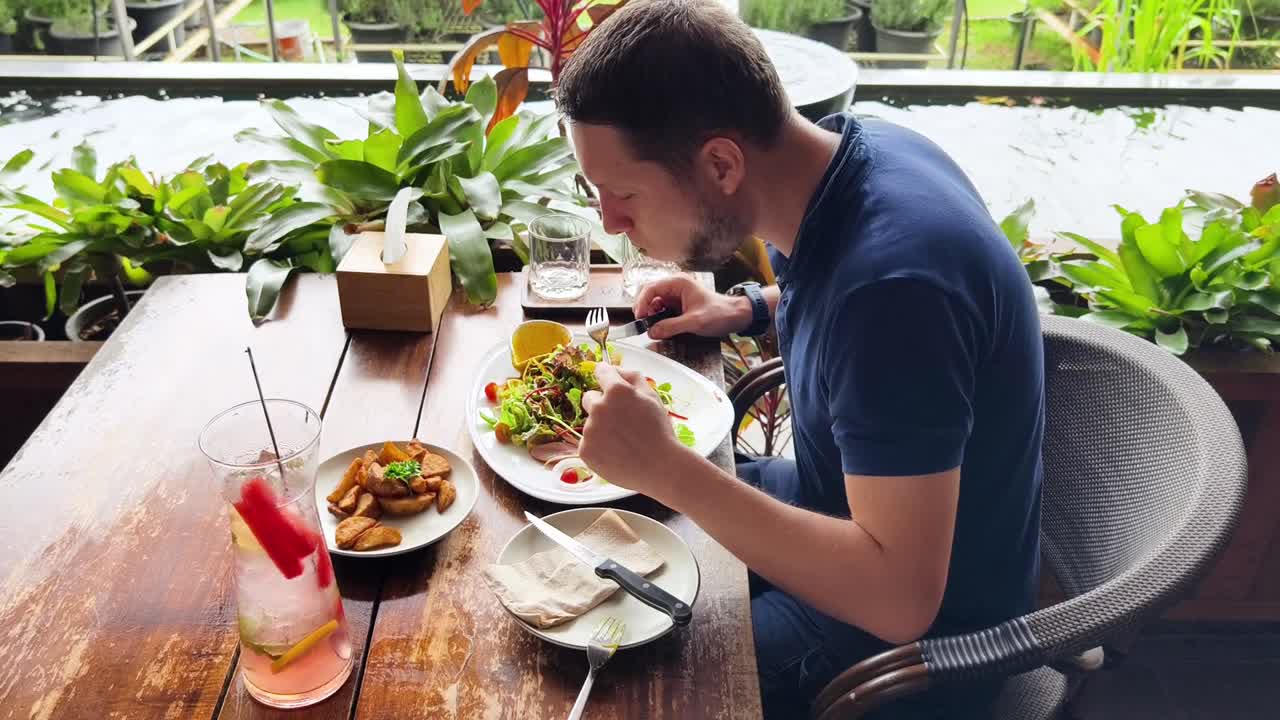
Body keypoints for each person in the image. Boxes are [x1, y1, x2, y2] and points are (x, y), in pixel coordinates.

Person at [555, 1, 1045, 716]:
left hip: (918, 650)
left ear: (722, 163)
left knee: (628, 682)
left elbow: (899, 600)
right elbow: (841, 294)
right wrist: (748, 307)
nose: (610, 221)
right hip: (841, 505)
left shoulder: (895, 289)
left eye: (622, 192)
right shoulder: (850, 157)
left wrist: (667, 466)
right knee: (637, 515)